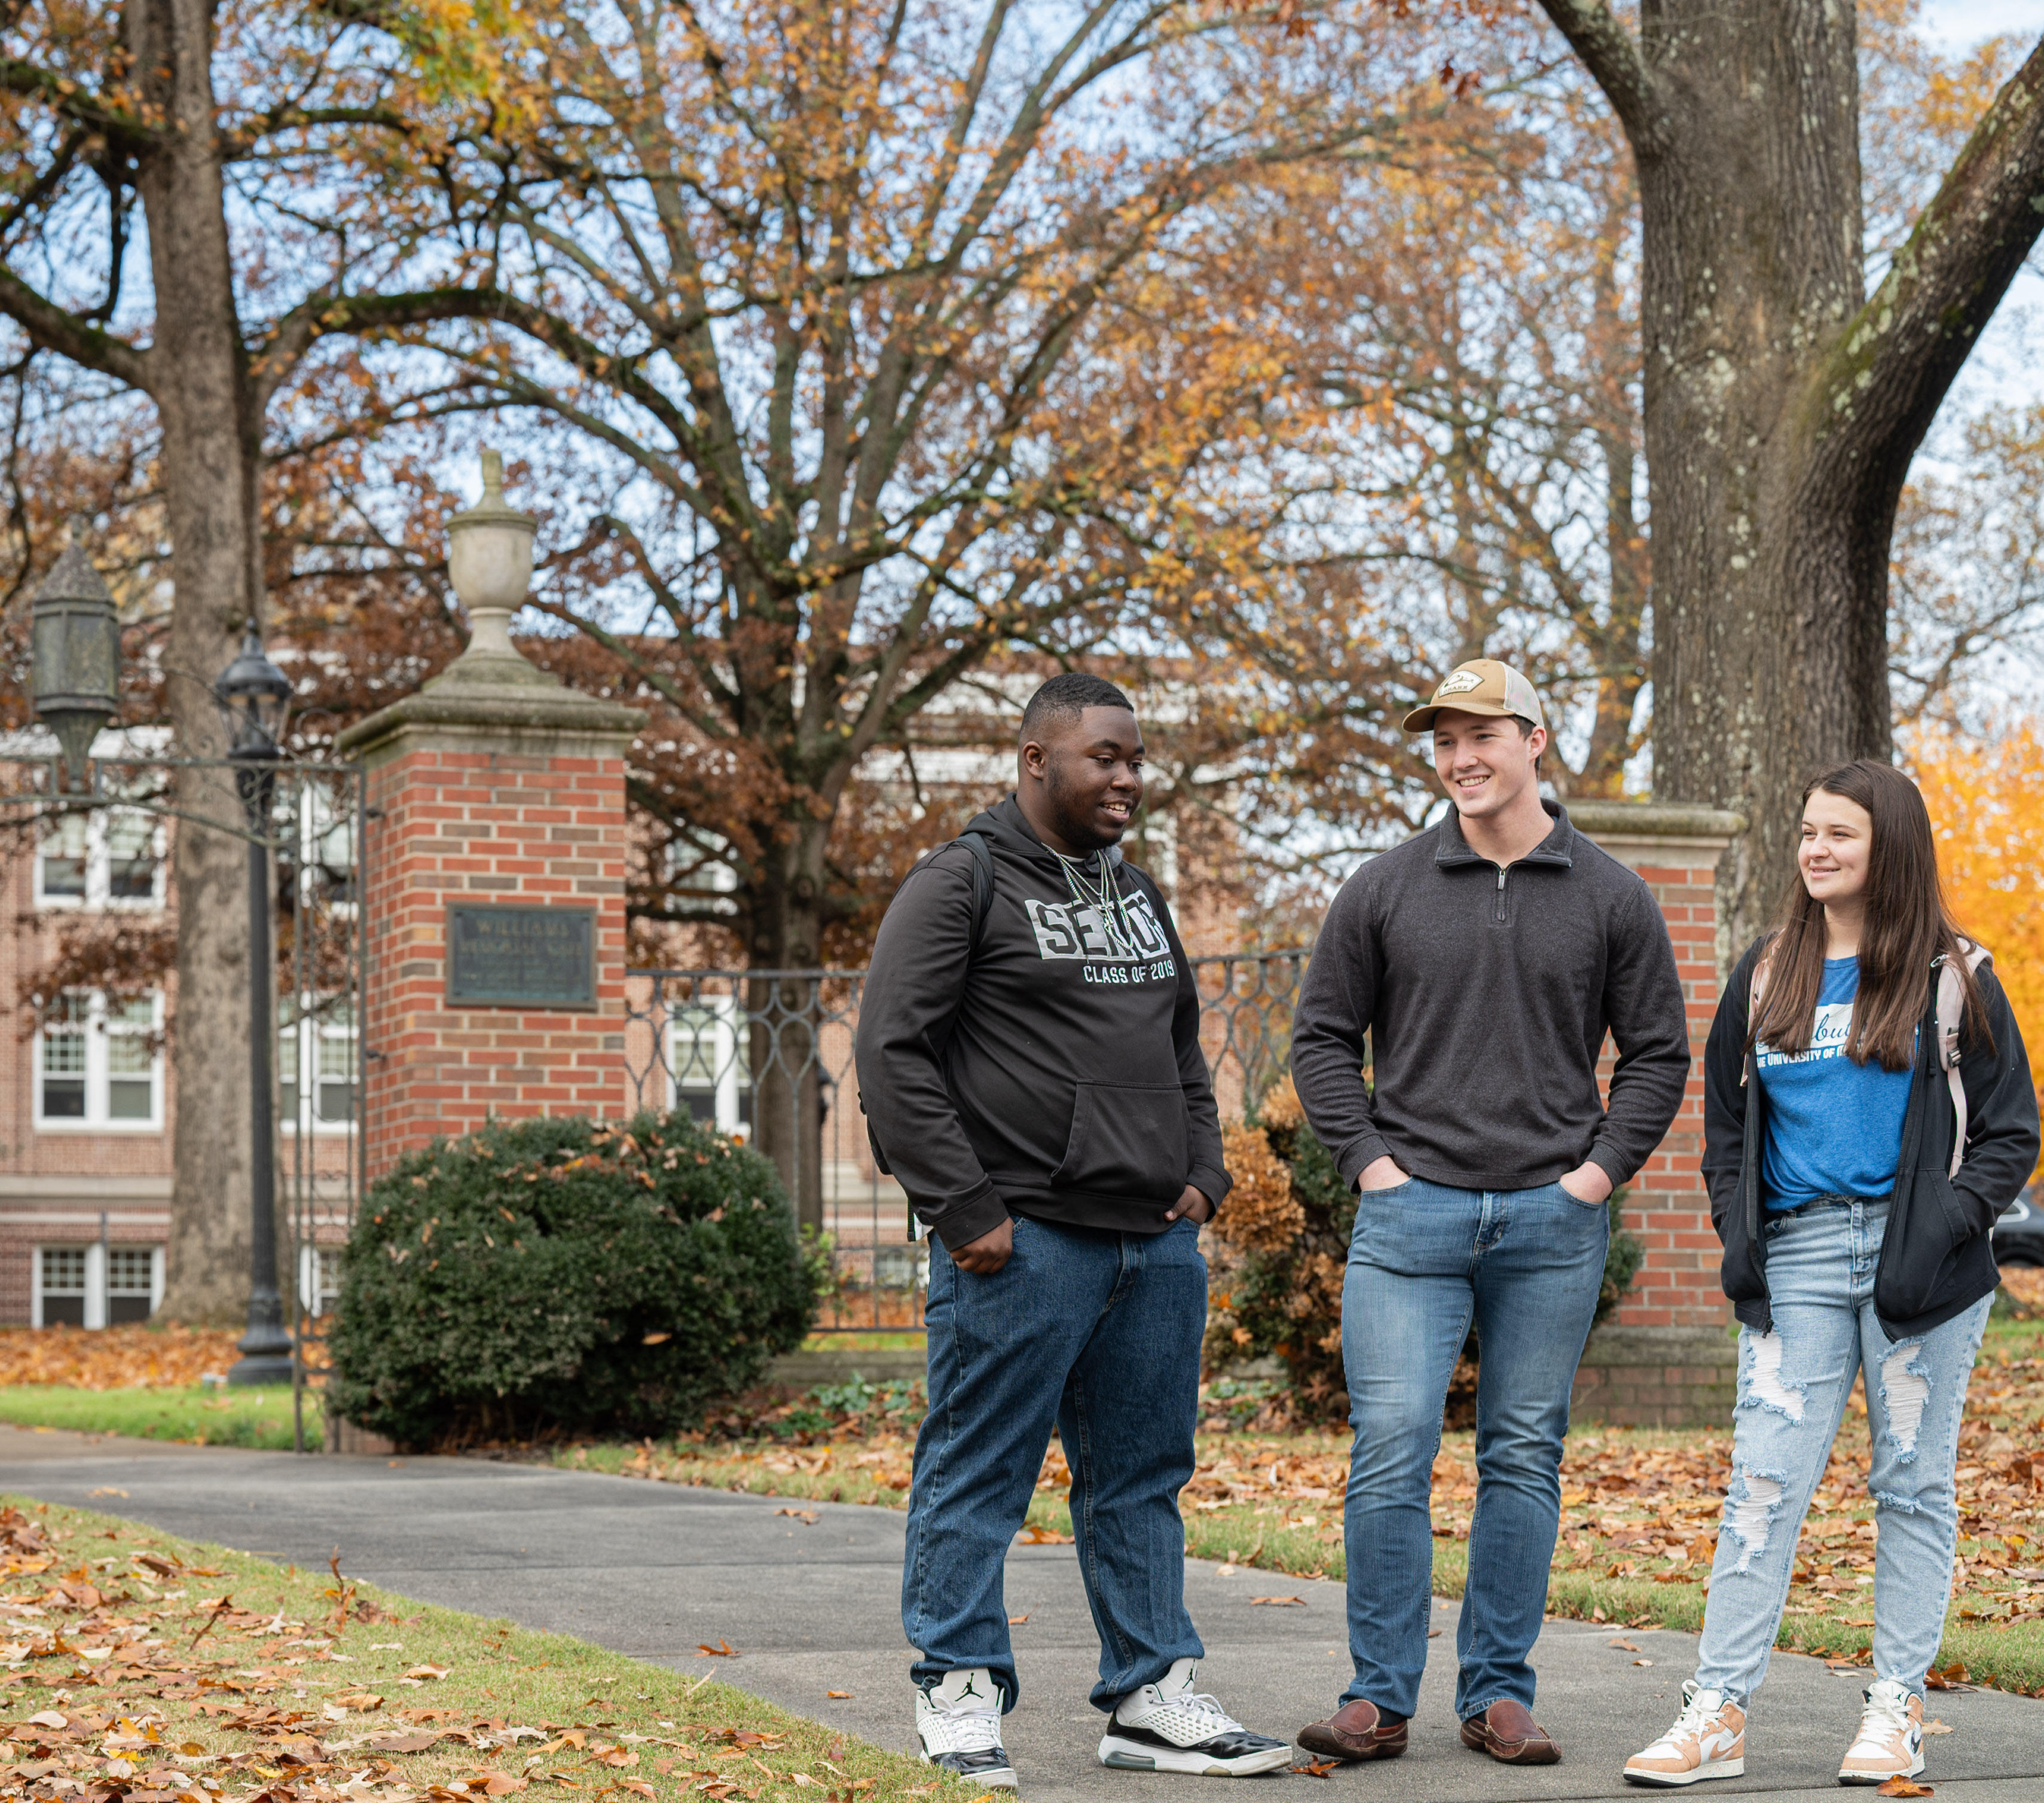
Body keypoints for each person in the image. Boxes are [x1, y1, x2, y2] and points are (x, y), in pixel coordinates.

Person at [857, 671, 1293, 1790]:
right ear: (1035, 760)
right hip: (1024, 1244)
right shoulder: (961, 883)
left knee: (1141, 1476)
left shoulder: (1138, 894)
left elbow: (1182, 1052)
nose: (1129, 778)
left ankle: (1152, 1698)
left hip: (1151, 1245)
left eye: (1137, 759)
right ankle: (956, 1693)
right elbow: (892, 1057)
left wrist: (1203, 1177)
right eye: (1106, 757)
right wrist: (968, 1214)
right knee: (977, 1473)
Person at [1288, 658, 1691, 1769]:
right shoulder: (1383, 887)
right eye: (1443, 742)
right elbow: (1322, 1038)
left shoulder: (1611, 894)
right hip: (1408, 1222)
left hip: (1552, 1224)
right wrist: (1371, 1165)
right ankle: (1377, 1698)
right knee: (1393, 1448)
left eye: (1482, 737)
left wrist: (1595, 1177)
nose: (1460, 759)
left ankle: (1500, 1696)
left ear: (1535, 742)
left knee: (1521, 1456)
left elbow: (1658, 1054)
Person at [1623, 759, 2037, 1789]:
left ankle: (1894, 1712)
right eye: (1808, 832)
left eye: (1839, 834)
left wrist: (1947, 1223)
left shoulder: (1957, 976)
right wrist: (1735, 1233)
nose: (1816, 849)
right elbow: (1725, 1125)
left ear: (1887, 846)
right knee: (1763, 1483)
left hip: (1923, 1274)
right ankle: (1715, 1714)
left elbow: (2009, 1133)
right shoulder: (1768, 973)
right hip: (1797, 1257)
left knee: (1911, 1487)